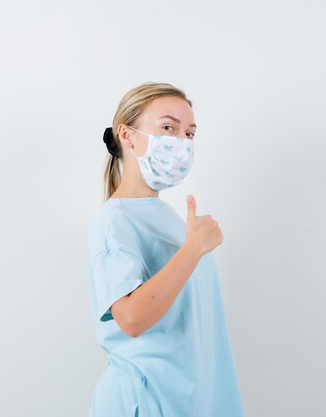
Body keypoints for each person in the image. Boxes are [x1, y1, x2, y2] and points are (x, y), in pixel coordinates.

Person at [87, 82, 245, 417]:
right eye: (168, 128)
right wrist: (193, 249)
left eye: (189, 133)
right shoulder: (114, 221)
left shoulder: (170, 219)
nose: (181, 142)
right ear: (127, 136)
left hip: (189, 401)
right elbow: (130, 318)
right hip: (146, 402)